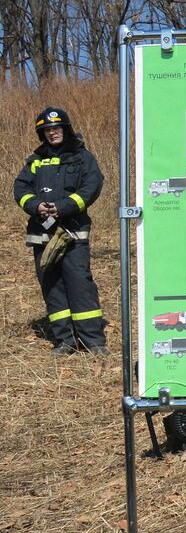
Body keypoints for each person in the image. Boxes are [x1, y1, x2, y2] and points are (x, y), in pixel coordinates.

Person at [13, 107, 106, 355]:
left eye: (57, 128)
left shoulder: (82, 157)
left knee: (80, 284)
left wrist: (63, 207)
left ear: (65, 129)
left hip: (72, 232)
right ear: (42, 134)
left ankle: (93, 341)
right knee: (52, 286)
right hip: (42, 234)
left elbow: (92, 186)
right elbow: (20, 189)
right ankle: (65, 340)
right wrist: (35, 206)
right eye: (47, 130)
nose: (53, 133)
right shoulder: (35, 161)